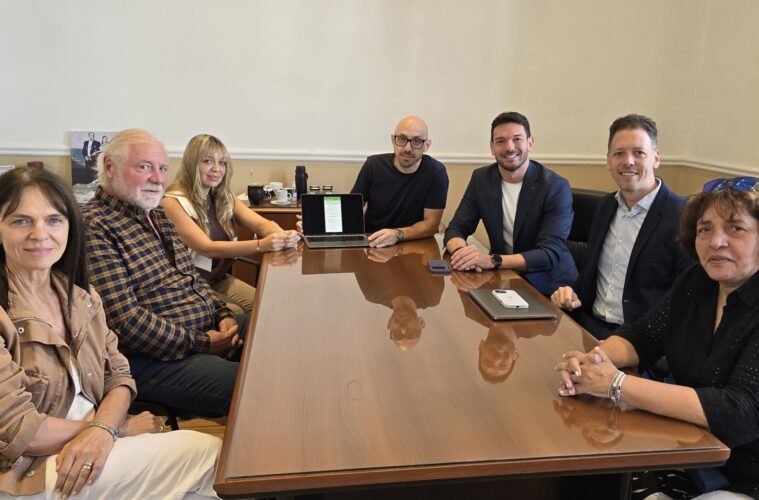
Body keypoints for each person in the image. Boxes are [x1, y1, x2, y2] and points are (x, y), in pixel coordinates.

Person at [0, 167, 220, 498]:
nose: (39, 233)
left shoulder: (81, 296)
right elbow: (18, 431)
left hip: (94, 440)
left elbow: (118, 376)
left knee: (194, 492)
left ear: (70, 227)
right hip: (30, 468)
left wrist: (103, 430)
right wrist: (115, 428)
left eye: (54, 220)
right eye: (20, 221)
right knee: (210, 456)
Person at [554, 176, 759, 497]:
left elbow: (739, 411)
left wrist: (615, 385)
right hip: (688, 451)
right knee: (586, 475)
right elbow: (643, 335)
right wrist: (594, 361)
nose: (716, 241)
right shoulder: (698, 281)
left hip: (744, 472)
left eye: (736, 228)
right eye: (705, 229)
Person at [83, 129, 241, 418]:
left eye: (163, 168)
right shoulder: (95, 226)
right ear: (110, 167)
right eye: (145, 167)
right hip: (148, 360)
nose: (157, 179)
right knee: (256, 385)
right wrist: (204, 343)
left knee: (270, 335)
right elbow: (125, 322)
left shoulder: (156, 214)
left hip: (198, 334)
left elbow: (191, 278)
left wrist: (223, 315)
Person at [550, 114, 691, 339]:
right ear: (608, 161)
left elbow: (687, 296)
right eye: (619, 154)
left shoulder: (683, 215)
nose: (628, 161)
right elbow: (591, 275)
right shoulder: (606, 206)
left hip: (641, 340)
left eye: (638, 152)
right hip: (588, 326)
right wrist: (570, 293)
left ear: (656, 158)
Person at [161, 134, 299, 314]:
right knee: (237, 313)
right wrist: (261, 245)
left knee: (267, 304)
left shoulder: (222, 196)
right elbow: (207, 248)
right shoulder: (172, 202)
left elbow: (261, 225)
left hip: (217, 280)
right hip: (188, 285)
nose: (217, 169)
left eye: (222, 162)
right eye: (208, 161)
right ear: (191, 164)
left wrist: (283, 235)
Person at [444, 111, 577, 296]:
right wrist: (462, 254)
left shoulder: (555, 186)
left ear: (530, 142)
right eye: (500, 141)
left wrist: (494, 261)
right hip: (504, 279)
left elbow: (549, 254)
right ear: (492, 147)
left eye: (517, 139)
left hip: (551, 287)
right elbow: (456, 229)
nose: (509, 147)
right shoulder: (481, 179)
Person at [296, 116, 449, 248]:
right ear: (393, 140)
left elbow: (431, 225)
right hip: (372, 242)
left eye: (416, 141)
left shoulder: (436, 173)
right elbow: (351, 210)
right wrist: (316, 222)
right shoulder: (373, 165)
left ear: (427, 145)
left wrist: (397, 234)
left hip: (413, 245)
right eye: (402, 139)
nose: (408, 148)